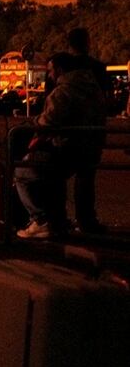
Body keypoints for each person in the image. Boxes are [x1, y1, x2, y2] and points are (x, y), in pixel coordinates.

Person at [15, 52, 106, 239]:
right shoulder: (93, 88)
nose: (49, 76)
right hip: (91, 149)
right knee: (57, 178)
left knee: (22, 172)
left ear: (60, 69)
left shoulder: (64, 91)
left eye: (50, 71)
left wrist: (34, 122)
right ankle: (62, 220)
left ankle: (40, 220)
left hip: (67, 149)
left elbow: (48, 121)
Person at [66, 27, 109, 233]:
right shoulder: (98, 68)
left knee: (56, 176)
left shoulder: (63, 67)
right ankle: (86, 220)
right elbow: (106, 100)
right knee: (86, 177)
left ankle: (58, 218)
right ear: (88, 42)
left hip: (66, 129)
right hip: (91, 130)